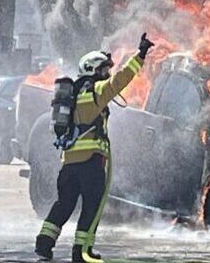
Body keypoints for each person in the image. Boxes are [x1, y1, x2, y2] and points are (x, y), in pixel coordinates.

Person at [35, 32, 155, 262]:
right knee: (92, 206)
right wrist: (140, 55)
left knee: (64, 204)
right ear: (93, 70)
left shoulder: (73, 96)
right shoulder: (95, 92)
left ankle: (43, 243)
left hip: (69, 163)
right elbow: (121, 80)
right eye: (103, 70)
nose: (106, 74)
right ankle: (81, 252)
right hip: (91, 163)